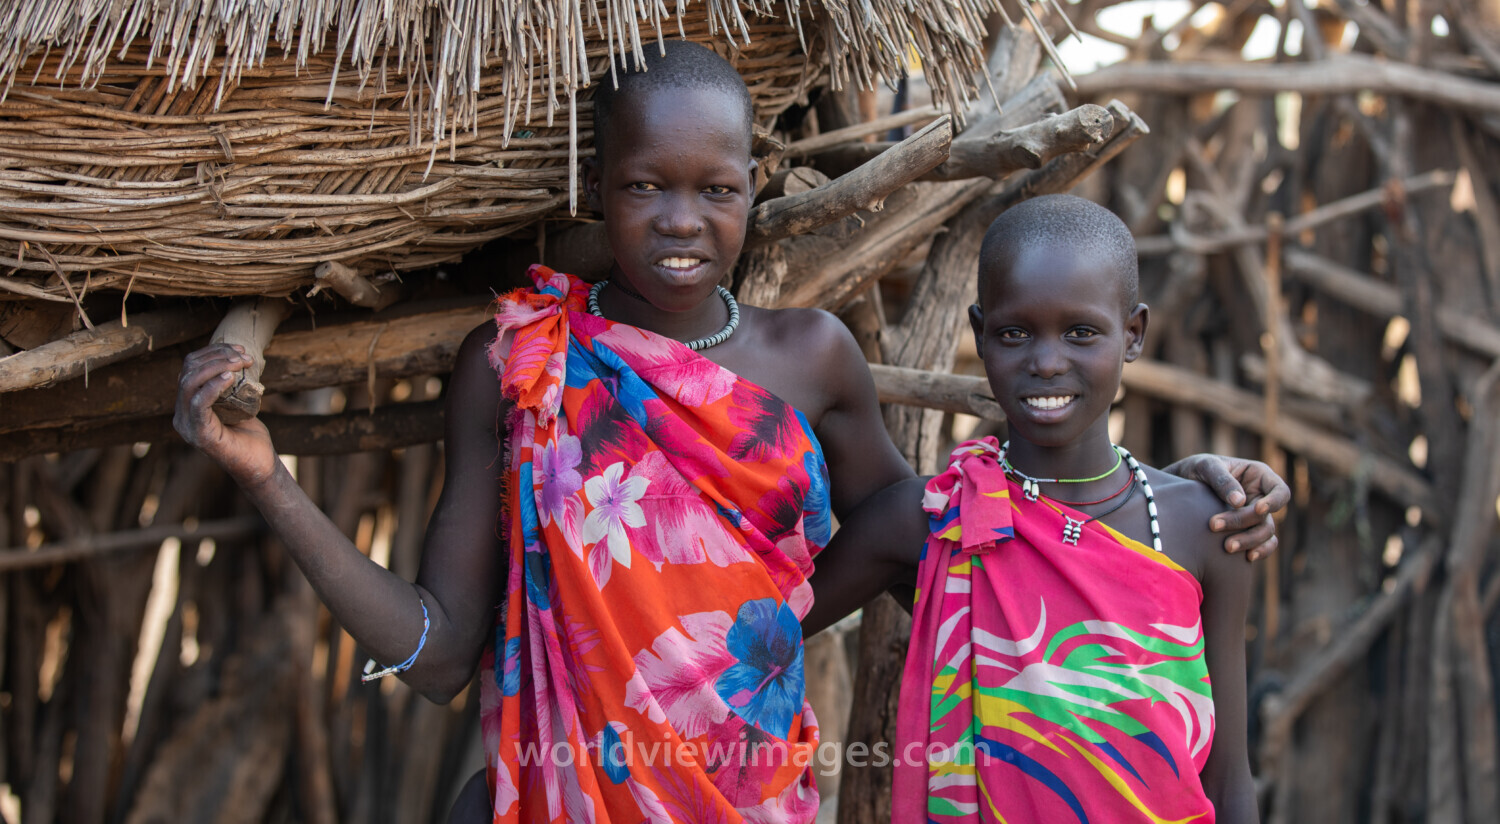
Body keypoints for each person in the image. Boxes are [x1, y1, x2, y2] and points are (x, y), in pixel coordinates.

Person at [174, 42, 1283, 824]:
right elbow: (439, 653)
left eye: (715, 188)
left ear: (756, 187)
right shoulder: (521, 366)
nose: (679, 221)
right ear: (597, 188)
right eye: (646, 185)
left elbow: (965, 546)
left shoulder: (814, 362)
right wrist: (270, 481)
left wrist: (1182, 493)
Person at [803, 193, 1259, 823]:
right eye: (1015, 333)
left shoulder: (1203, 526)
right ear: (979, 334)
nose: (1047, 362)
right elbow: (747, 637)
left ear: (1133, 334)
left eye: (1081, 332)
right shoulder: (929, 521)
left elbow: (1230, 778)